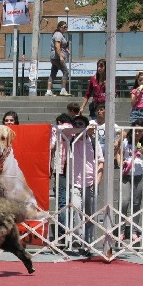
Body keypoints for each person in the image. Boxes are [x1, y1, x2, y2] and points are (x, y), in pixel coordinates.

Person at [68, 115, 104, 254]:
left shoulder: (94, 142)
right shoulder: (69, 140)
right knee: (76, 208)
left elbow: (101, 161)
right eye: (75, 124)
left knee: (90, 214)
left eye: (81, 124)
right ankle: (80, 238)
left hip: (90, 182)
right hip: (75, 183)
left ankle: (88, 243)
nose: (78, 126)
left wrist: (98, 179)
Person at [116, 119, 143, 242]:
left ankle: (134, 230)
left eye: (140, 131)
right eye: (135, 131)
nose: (137, 133)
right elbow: (119, 154)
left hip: (140, 175)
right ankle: (121, 230)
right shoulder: (126, 142)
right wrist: (121, 163)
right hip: (126, 175)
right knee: (124, 202)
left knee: (136, 203)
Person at [50, 113, 72, 241]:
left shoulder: (56, 129)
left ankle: (63, 233)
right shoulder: (76, 130)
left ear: (59, 121)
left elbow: (51, 146)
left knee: (62, 202)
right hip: (76, 170)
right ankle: (72, 232)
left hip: (61, 169)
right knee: (72, 202)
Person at [45, 21, 70, 97]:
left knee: (53, 73)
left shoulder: (60, 35)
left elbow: (62, 46)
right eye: (63, 27)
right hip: (57, 57)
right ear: (59, 27)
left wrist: (67, 50)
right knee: (65, 71)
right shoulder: (58, 35)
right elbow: (57, 46)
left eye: (66, 27)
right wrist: (60, 56)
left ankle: (48, 91)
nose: (65, 28)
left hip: (54, 57)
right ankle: (63, 90)